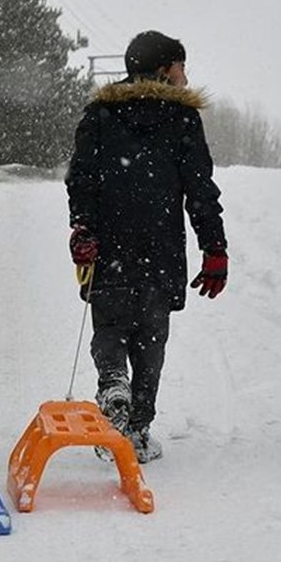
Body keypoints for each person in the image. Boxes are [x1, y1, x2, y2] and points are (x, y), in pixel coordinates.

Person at [65, 30, 227, 463]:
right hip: (161, 250)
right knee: (151, 340)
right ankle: (136, 429)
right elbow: (200, 190)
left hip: (110, 247)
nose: (185, 75)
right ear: (163, 70)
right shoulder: (183, 120)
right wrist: (214, 248)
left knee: (110, 328)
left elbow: (80, 177)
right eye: (180, 66)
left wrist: (83, 227)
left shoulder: (101, 114)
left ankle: (113, 382)